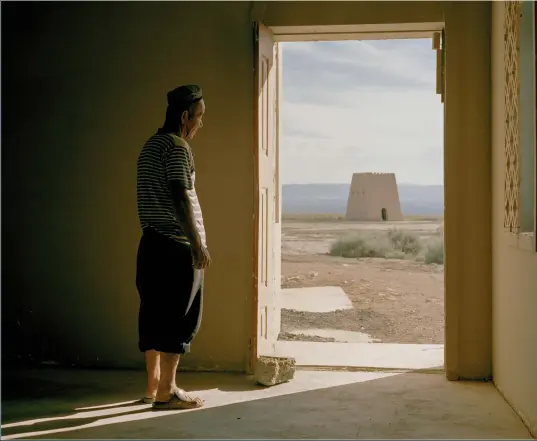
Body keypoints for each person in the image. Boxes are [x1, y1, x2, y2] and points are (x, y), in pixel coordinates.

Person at [136, 85, 211, 410]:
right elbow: (180, 195)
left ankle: (153, 388)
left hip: (150, 243)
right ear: (184, 116)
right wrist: (196, 244)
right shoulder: (178, 147)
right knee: (180, 318)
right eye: (199, 117)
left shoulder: (150, 146)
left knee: (152, 314)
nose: (200, 124)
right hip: (176, 247)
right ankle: (168, 393)